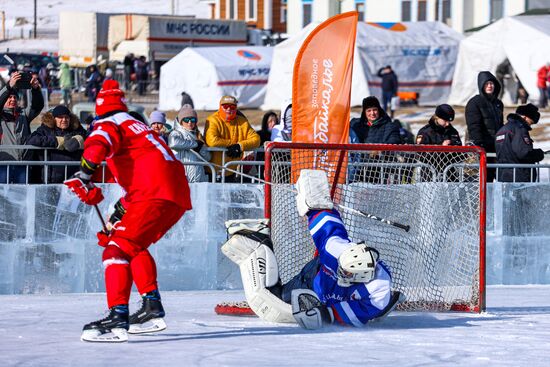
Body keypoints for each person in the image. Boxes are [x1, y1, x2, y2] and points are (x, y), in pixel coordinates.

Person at [63, 79, 192, 343]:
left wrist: (84, 175)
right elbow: (147, 170)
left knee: (116, 250)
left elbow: (99, 141)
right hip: (174, 194)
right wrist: (117, 214)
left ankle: (117, 315)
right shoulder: (140, 126)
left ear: (99, 110)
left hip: (153, 193)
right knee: (129, 244)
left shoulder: (109, 122)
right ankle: (151, 306)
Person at [221, 170, 400, 329]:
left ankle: (387, 305)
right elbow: (325, 220)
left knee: (374, 311)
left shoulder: (379, 286)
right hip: (312, 279)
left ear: (362, 276)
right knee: (275, 302)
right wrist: (312, 193)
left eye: (347, 274)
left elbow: (364, 309)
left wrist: (328, 314)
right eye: (342, 269)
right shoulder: (336, 249)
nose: (341, 273)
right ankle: (258, 242)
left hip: (336, 297)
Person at [0, 71, 44, 184]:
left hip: (23, 165)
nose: (13, 99)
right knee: (4, 197)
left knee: (22, 197)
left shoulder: (24, 114)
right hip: (4, 164)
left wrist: (35, 89)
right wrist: (9, 86)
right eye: (9, 97)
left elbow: (37, 106)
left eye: (15, 97)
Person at [204, 95, 260, 182]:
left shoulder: (242, 122)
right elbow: (212, 141)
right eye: (225, 106)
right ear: (220, 107)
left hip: (231, 171)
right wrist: (232, 144)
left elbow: (256, 139)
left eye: (232, 107)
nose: (229, 109)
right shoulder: (212, 120)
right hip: (212, 171)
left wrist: (240, 146)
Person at [26, 105, 86, 184]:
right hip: (50, 179)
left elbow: (90, 136)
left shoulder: (77, 129)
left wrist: (80, 139)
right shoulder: (45, 129)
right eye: (60, 117)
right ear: (54, 119)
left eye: (66, 117)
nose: (64, 120)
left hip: (72, 178)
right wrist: (57, 141)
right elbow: (31, 139)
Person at [465, 71, 504, 182]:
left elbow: (500, 124)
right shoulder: (474, 102)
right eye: (486, 84)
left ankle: (494, 199)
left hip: (496, 146)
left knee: (496, 178)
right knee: (482, 179)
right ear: (481, 85)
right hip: (482, 148)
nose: (489, 86)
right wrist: (479, 146)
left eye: (491, 83)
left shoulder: (498, 103)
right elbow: (474, 126)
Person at [495, 103, 545, 183]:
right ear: (525, 117)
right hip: (518, 177)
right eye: (530, 122)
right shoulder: (519, 129)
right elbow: (523, 153)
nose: (530, 125)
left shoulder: (503, 129)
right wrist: (538, 154)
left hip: (503, 175)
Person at [168, 104, 211, 183]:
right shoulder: (176, 133)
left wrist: (200, 149)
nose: (190, 122)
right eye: (186, 120)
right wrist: (194, 144)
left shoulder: (198, 135)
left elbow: (207, 157)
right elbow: (173, 143)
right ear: (181, 121)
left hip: (199, 179)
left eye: (193, 120)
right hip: (182, 179)